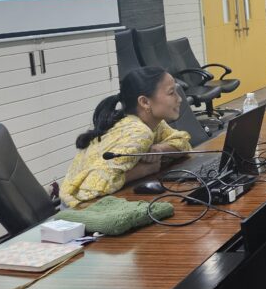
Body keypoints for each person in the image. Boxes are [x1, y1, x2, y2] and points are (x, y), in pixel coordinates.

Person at [60, 66, 191, 208]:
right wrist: (145, 169)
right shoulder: (139, 132)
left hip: (95, 202)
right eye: (171, 93)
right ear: (145, 102)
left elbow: (184, 143)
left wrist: (159, 149)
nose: (179, 99)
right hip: (78, 207)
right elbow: (91, 188)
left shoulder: (153, 124)